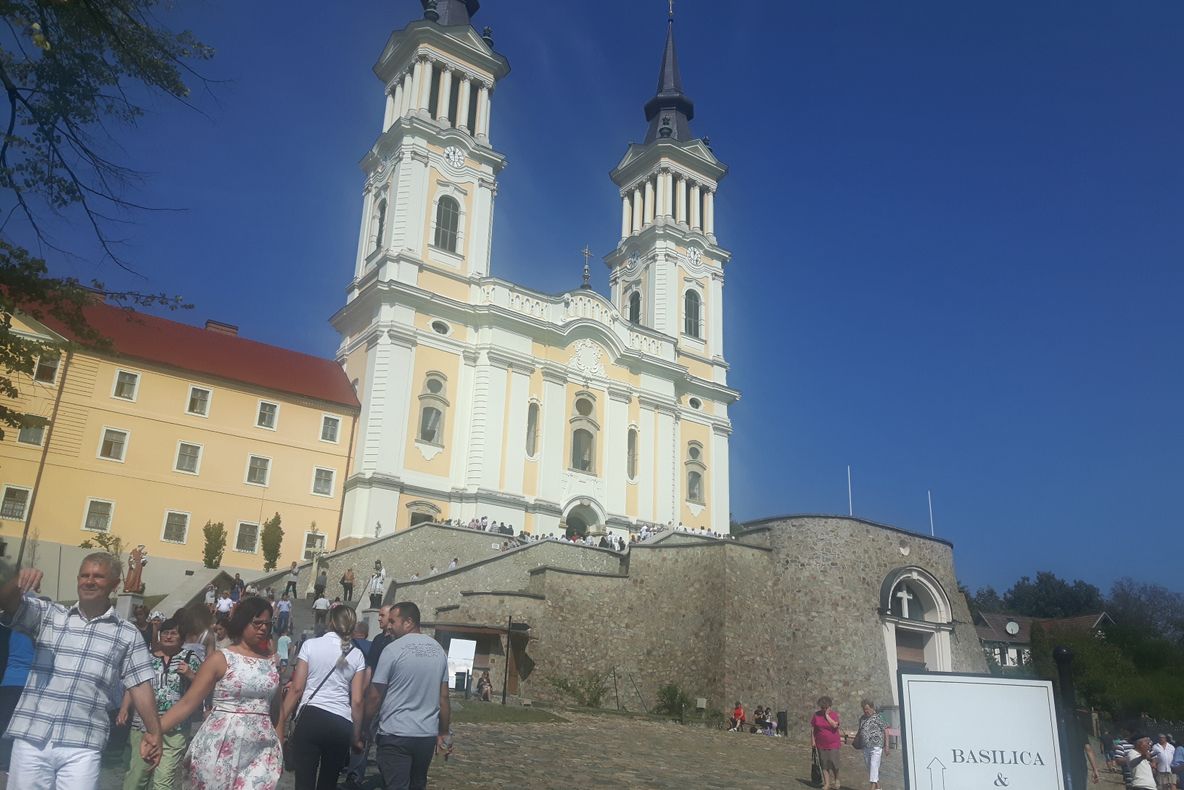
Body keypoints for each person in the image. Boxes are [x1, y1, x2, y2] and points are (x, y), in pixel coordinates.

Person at [0, 555, 162, 789]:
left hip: (83, 743)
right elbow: (7, 602)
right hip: (32, 737)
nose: (89, 581)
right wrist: (15, 581)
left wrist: (154, 732)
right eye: (84, 575)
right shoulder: (48, 615)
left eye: (98, 576)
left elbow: (140, 685)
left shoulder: (127, 634)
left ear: (115, 585)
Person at [159, 597, 282, 789]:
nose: (263, 628)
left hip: (261, 748)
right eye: (257, 623)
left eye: (267, 624)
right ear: (242, 621)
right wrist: (155, 731)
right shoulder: (221, 658)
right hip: (221, 743)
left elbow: (277, 711)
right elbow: (188, 702)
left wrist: (279, 746)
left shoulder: (271, 662)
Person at [361, 602, 451, 790]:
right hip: (425, 734)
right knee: (417, 784)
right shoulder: (438, 651)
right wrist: (443, 732)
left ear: (409, 622)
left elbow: (375, 695)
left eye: (393, 621)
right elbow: (443, 698)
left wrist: (364, 725)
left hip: (396, 733)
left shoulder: (393, 650)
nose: (389, 626)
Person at [278, 604, 366, 790]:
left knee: (304, 782)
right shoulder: (357, 655)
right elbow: (357, 701)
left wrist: (281, 721)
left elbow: (296, 689)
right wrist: (356, 737)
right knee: (328, 782)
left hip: (311, 718)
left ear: (331, 622)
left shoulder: (310, 645)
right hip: (341, 722)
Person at [117, 617, 202, 790]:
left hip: (175, 727)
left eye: (174, 633)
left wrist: (191, 675)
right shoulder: (146, 657)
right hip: (144, 725)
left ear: (182, 637)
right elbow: (134, 685)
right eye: (165, 632)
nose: (169, 636)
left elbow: (203, 688)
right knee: (137, 776)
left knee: (164, 780)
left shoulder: (190, 658)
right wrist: (124, 708)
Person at [0, 621, 33, 773]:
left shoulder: (11, 626)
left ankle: (4, 764)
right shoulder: (40, 630)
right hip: (29, 681)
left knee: (5, 724)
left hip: (8, 680)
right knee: (26, 727)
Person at [812, 696, 842, 790]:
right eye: (822, 707)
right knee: (824, 764)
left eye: (825, 707)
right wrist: (813, 741)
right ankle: (827, 783)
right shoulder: (816, 715)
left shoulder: (834, 715)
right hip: (820, 743)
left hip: (833, 743)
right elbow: (813, 729)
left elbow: (834, 725)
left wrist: (826, 715)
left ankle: (837, 779)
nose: (823, 709)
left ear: (829, 706)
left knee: (834, 763)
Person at [858, 699, 887, 790]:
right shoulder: (862, 718)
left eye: (867, 708)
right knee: (870, 768)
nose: (865, 711)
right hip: (866, 746)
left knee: (874, 765)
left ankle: (872, 787)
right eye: (864, 709)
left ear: (872, 707)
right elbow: (860, 730)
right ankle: (878, 788)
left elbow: (886, 730)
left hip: (876, 746)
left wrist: (887, 746)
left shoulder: (878, 717)